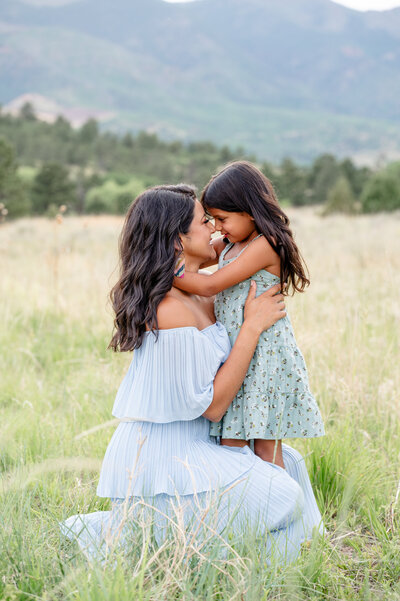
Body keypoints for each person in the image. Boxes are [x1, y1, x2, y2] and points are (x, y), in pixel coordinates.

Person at [61, 185, 322, 563]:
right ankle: (220, 554)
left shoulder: (202, 294)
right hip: (169, 463)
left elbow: (235, 263)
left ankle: (300, 552)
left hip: (200, 448)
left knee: (290, 463)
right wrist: (252, 327)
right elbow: (213, 407)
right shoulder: (170, 308)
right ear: (178, 240)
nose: (214, 229)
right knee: (284, 494)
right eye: (204, 222)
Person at [174, 162, 325, 468]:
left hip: (265, 356)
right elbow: (198, 257)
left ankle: (281, 509)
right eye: (212, 219)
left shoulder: (265, 245)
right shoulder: (231, 242)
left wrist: (163, 274)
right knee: (232, 440)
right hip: (239, 355)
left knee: (265, 445)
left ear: (249, 210)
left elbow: (211, 284)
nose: (217, 227)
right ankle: (245, 511)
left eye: (222, 218)